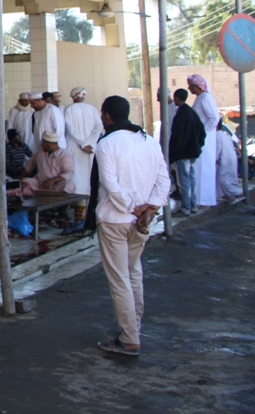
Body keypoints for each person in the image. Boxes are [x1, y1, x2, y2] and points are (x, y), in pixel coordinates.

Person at [91, 95, 169, 356]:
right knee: (133, 271)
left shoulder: (107, 144)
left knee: (120, 278)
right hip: (140, 222)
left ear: (107, 116)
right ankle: (133, 326)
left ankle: (129, 338)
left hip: (116, 219)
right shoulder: (148, 141)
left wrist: (134, 207)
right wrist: (150, 208)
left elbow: (110, 185)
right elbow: (163, 181)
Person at [63, 87, 103, 216]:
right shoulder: (92, 109)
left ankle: (78, 213)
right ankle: (88, 210)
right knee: (88, 176)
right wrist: (90, 142)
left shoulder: (68, 109)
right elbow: (99, 127)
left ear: (73, 96)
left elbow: (70, 129)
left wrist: (83, 143)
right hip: (90, 148)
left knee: (76, 178)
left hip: (76, 147)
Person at [168, 88, 205, 215]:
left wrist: (175, 152)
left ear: (177, 98)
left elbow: (177, 136)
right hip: (192, 152)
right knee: (191, 179)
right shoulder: (191, 113)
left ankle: (186, 208)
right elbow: (202, 132)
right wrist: (197, 146)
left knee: (184, 181)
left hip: (184, 154)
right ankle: (192, 205)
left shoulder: (181, 114)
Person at [189, 75, 220, 207]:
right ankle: (198, 199)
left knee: (204, 168)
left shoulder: (206, 98)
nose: (189, 88)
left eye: (190, 86)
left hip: (204, 140)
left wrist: (203, 132)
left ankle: (204, 200)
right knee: (197, 169)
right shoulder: (200, 98)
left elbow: (214, 118)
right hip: (199, 139)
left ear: (196, 86)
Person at [19, 131, 76, 197]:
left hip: (56, 186)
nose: (41, 144)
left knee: (69, 186)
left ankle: (60, 205)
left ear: (48, 144)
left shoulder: (65, 155)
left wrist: (52, 181)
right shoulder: (40, 153)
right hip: (40, 185)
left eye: (43, 142)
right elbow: (29, 166)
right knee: (25, 181)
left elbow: (69, 173)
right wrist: (18, 179)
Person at [215, 121, 245, 203]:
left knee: (223, 179)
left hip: (225, 159)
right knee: (229, 177)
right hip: (230, 158)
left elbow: (218, 149)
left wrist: (215, 158)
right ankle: (227, 195)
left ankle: (237, 193)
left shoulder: (217, 135)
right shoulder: (225, 134)